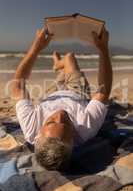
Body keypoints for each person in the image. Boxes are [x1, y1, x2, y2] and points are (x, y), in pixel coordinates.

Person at [12, 26, 112, 171]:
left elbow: (17, 86)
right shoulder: (86, 128)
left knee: (65, 65)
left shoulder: (31, 128)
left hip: (51, 93)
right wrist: (103, 49)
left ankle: (59, 65)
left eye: (50, 121)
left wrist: (36, 47)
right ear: (74, 139)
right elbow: (104, 91)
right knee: (70, 57)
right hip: (76, 91)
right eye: (66, 123)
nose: (60, 114)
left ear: (37, 136)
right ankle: (60, 64)